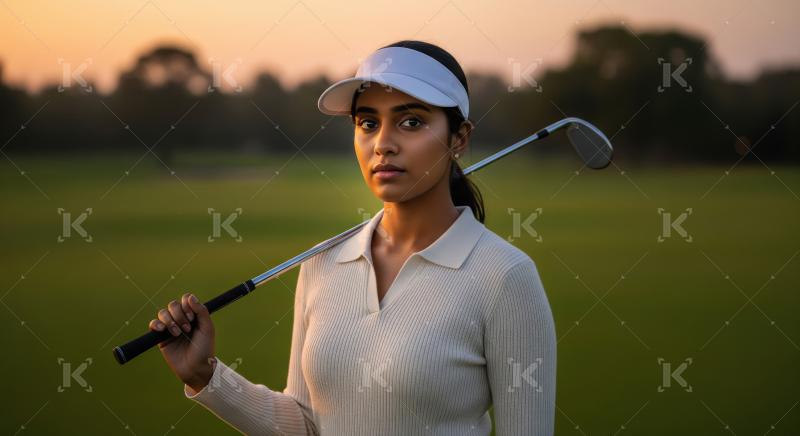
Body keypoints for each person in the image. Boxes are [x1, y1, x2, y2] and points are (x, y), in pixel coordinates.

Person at [148, 40, 557, 435]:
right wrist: (207, 376)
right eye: (368, 123)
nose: (383, 144)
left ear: (460, 138)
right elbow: (305, 424)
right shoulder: (322, 262)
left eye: (411, 121)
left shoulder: (505, 277)